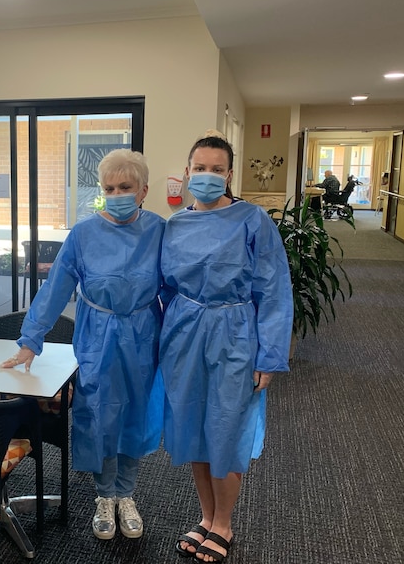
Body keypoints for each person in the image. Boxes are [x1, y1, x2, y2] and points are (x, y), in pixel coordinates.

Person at [2, 148, 165, 541]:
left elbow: (179, 287)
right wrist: (31, 340)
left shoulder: (160, 230)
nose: (117, 194)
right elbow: (56, 288)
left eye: (125, 186)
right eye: (109, 187)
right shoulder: (84, 234)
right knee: (99, 415)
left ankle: (126, 494)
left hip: (144, 333)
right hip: (98, 335)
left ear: (143, 190)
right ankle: (103, 496)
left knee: (135, 416)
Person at [161, 132, 292, 562]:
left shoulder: (253, 221)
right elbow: (163, 286)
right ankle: (205, 516)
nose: (207, 176)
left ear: (230, 174)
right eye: (200, 168)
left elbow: (274, 291)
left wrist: (269, 356)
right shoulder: (176, 225)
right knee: (194, 428)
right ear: (187, 171)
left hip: (235, 333)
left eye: (217, 169)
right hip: (184, 334)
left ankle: (224, 524)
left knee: (226, 428)